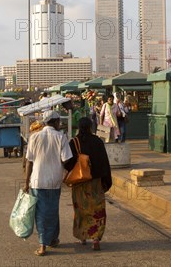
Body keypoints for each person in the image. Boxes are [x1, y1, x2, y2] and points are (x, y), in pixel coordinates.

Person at [23, 110, 73, 257]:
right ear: (56, 122)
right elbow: (66, 159)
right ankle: (44, 244)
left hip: (37, 181)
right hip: (54, 181)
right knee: (51, 210)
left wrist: (26, 183)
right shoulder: (60, 137)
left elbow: (29, 162)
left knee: (41, 213)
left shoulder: (34, 137)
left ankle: (50, 239)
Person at [64, 117, 112, 251]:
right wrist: (105, 181)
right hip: (95, 182)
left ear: (79, 127)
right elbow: (104, 163)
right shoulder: (97, 141)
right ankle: (96, 239)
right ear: (91, 127)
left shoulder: (74, 142)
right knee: (96, 209)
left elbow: (68, 163)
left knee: (81, 209)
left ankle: (83, 237)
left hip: (79, 182)